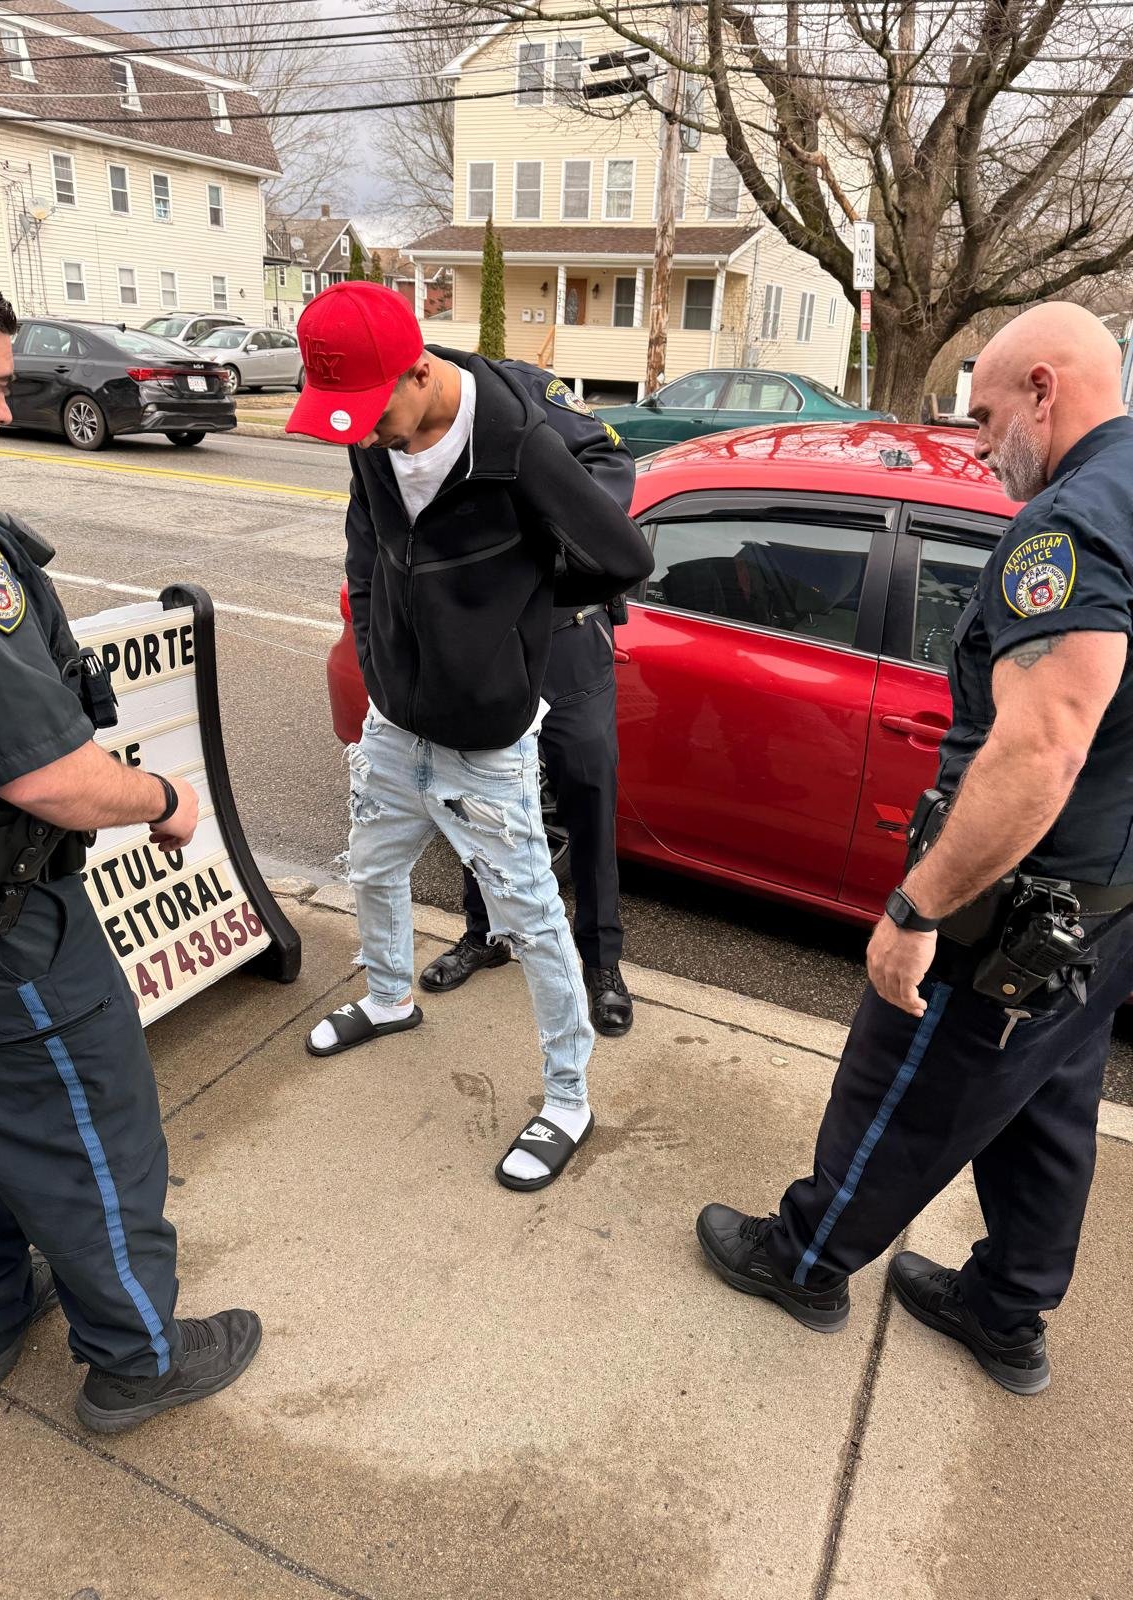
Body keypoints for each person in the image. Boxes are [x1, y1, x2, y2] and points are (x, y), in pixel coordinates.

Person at [695, 301, 1133, 1396]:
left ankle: (803, 1260)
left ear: (1044, 388)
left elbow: (1040, 749)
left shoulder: (1067, 529)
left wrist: (918, 908)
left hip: (1016, 904)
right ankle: (1007, 1310)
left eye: (984, 414)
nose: (978, 445)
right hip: (1109, 901)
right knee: (1049, 1108)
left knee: (902, 1079)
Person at [0, 256, 260, 1432]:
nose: (4, 408)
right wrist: (164, 798)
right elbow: (50, 776)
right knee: (92, 1130)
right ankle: (137, 1357)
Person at [288, 282, 653, 1190]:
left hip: (486, 741)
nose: (367, 437)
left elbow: (622, 557)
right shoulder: (373, 437)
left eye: (374, 416)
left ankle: (567, 1099)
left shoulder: (517, 439)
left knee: (531, 920)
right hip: (395, 719)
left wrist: (520, 610)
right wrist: (376, 646)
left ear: (419, 372)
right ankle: (387, 997)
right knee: (372, 868)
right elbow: (367, 543)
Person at [419, 535, 635, 1041]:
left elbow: (595, 533)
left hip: (570, 644)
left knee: (590, 809)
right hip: (491, 650)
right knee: (478, 804)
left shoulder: (582, 470)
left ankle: (600, 962)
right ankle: (485, 936)